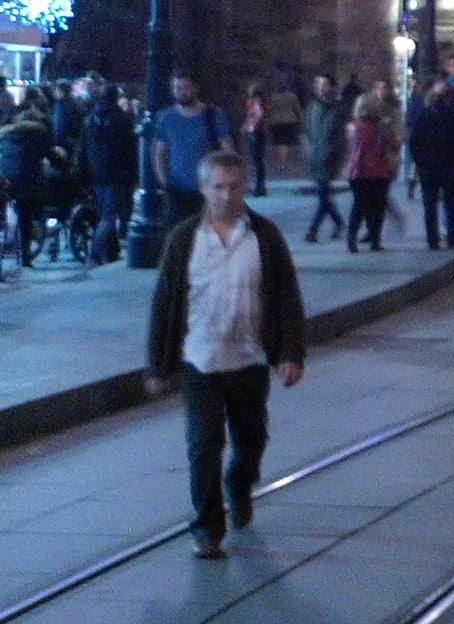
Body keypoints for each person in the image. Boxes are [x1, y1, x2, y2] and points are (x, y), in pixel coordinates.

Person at [144, 151, 306, 560]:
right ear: (203, 188)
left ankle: (239, 482)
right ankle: (208, 528)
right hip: (199, 359)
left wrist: (290, 352)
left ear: (245, 186)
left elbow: (287, 296)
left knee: (251, 441)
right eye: (218, 187)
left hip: (249, 359)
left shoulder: (264, 236)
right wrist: (158, 365)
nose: (227, 195)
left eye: (235, 186)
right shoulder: (184, 239)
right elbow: (164, 303)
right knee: (203, 444)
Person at [152, 72, 236, 228]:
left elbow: (227, 150)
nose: (181, 92)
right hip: (177, 190)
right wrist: (165, 183)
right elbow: (160, 154)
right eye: (177, 88)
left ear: (196, 88)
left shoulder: (214, 115)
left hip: (209, 189)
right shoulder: (166, 118)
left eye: (185, 87)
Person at [408, 80, 454, 251]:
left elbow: (414, 143)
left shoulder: (422, 116)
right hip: (450, 166)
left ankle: (432, 239)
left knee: (430, 204)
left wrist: (420, 162)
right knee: (451, 203)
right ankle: (452, 236)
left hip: (428, 168)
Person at [81, 85, 138, 264]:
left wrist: (83, 172)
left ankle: (111, 252)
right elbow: (130, 150)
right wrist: (133, 175)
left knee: (104, 214)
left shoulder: (89, 119)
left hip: (95, 173)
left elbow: (83, 148)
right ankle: (95, 254)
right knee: (109, 215)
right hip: (117, 174)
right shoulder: (122, 119)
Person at [0, 109, 55, 271]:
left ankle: (8, 244)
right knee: (26, 216)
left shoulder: (5, 134)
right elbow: (50, 155)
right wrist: (65, 166)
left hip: (7, 179)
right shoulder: (38, 134)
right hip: (28, 179)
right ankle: (25, 256)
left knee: (8, 212)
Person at [342, 94, 397, 253]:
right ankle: (375, 240)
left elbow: (349, 148)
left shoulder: (352, 127)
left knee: (359, 206)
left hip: (357, 171)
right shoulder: (382, 128)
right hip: (378, 171)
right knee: (378, 207)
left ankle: (351, 240)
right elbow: (393, 145)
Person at [302, 75, 346, 243]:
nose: (320, 87)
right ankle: (339, 222)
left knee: (323, 194)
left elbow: (340, 135)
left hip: (329, 157)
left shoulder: (336, 109)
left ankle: (313, 230)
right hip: (316, 156)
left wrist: (339, 156)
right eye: (318, 83)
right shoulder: (312, 107)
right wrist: (309, 150)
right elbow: (307, 131)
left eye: (324, 84)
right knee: (324, 195)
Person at [241, 84, 269, 196]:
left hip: (255, 132)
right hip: (258, 132)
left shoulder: (255, 101)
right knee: (258, 161)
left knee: (257, 161)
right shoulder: (261, 101)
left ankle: (260, 187)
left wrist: (249, 126)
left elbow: (256, 115)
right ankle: (261, 186)